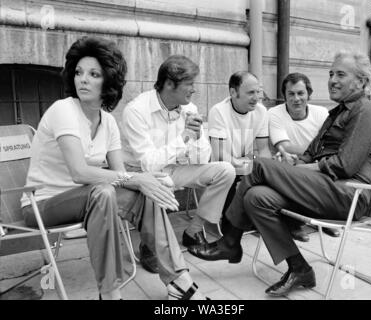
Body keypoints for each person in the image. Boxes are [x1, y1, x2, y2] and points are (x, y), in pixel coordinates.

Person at [21, 37, 207, 300]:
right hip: (41, 205)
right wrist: (136, 177)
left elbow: (123, 179)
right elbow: (80, 173)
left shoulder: (107, 122)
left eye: (94, 74)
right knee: (105, 192)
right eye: (79, 72)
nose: (83, 79)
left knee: (141, 191)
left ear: (108, 81)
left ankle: (179, 281)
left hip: (89, 198)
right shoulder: (63, 110)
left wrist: (147, 181)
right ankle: (110, 294)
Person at [188, 51, 371, 297]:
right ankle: (299, 268)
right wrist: (294, 162)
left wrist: (298, 169)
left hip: (348, 195)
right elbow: (312, 152)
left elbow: (345, 164)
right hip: (323, 188)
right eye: (331, 74)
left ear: (361, 81)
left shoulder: (365, 112)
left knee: (258, 165)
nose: (332, 80)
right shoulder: (335, 113)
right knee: (256, 197)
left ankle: (230, 241)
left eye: (341, 75)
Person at [122, 55, 235, 273]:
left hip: (174, 169)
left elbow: (203, 160)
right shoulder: (136, 111)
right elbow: (148, 164)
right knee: (160, 179)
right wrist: (183, 138)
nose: (194, 90)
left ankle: (193, 232)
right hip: (140, 175)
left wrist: (197, 136)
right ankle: (150, 245)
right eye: (189, 84)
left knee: (226, 171)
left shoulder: (188, 107)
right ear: (169, 83)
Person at [269, 72, 339, 241]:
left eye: (301, 93)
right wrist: (315, 151)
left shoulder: (321, 113)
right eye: (291, 94)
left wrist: (312, 155)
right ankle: (293, 223)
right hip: (289, 163)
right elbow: (284, 146)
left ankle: (322, 220)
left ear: (309, 94)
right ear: (284, 96)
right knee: (289, 170)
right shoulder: (274, 113)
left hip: (313, 163)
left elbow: (331, 145)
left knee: (330, 169)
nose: (296, 98)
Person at [208, 71, 271, 232]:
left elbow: (263, 149)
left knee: (269, 171)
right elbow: (221, 154)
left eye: (258, 92)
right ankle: (230, 223)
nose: (256, 98)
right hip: (220, 165)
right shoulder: (219, 111)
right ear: (233, 92)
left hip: (245, 160)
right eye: (250, 93)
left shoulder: (261, 111)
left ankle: (263, 218)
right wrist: (247, 164)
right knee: (230, 171)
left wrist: (265, 168)